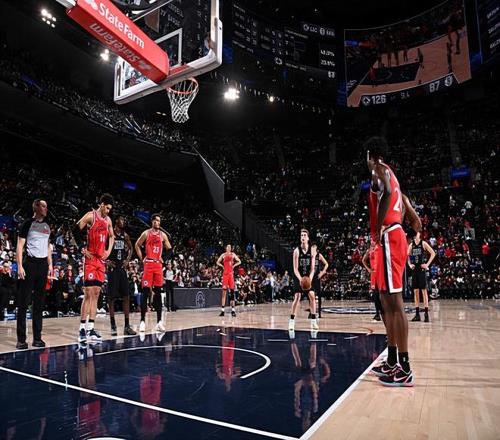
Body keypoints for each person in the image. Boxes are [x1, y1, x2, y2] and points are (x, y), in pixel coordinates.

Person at [366, 144, 421, 387]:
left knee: (395, 305)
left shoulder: (379, 168)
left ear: (372, 155)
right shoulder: (397, 185)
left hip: (389, 237)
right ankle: (391, 360)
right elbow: (417, 223)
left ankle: (405, 368)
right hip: (390, 239)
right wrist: (409, 231)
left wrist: (381, 226)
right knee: (385, 303)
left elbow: (387, 191)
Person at [74, 194, 115, 343]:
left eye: (110, 209)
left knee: (97, 293)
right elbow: (75, 229)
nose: (108, 211)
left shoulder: (108, 220)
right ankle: (81, 330)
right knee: (88, 293)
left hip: (100, 260)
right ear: (102, 204)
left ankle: (90, 328)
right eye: (107, 208)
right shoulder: (91, 216)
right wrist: (82, 248)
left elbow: (112, 236)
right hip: (90, 259)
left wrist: (108, 251)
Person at [16, 199, 54, 349]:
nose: (46, 208)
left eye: (46, 206)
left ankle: (37, 338)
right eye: (43, 206)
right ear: (36, 207)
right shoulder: (27, 224)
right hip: (30, 264)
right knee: (23, 303)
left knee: (39, 303)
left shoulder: (47, 225)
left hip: (43, 265)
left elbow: (48, 246)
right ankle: (21, 339)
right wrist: (20, 266)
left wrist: (50, 264)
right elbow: (20, 246)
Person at [135, 214, 172, 333]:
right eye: (155, 221)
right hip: (149, 263)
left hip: (158, 265)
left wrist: (164, 259)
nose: (157, 223)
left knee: (158, 293)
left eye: (159, 221)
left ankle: (159, 322)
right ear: (152, 222)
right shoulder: (146, 233)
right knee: (145, 292)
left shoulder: (163, 235)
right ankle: (142, 321)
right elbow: (137, 245)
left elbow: (170, 249)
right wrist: (142, 258)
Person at [107, 216, 136, 336]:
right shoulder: (110, 233)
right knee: (111, 298)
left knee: (126, 296)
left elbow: (131, 248)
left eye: (124, 220)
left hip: (122, 268)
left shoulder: (125, 235)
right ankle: (113, 325)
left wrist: (127, 260)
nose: (123, 222)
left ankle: (127, 326)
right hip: (112, 268)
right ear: (116, 221)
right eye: (122, 220)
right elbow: (102, 248)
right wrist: (106, 261)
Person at [289, 229, 317, 332]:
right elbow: (295, 269)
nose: (303, 237)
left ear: (308, 238)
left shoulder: (312, 250)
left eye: (305, 235)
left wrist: (310, 279)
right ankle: (291, 321)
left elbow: (313, 268)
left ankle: (313, 321)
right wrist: (301, 279)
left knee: (312, 295)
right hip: (298, 276)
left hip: (308, 276)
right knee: (297, 297)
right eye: (301, 235)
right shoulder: (296, 251)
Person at [408, 231, 436, 322]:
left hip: (421, 270)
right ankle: (417, 315)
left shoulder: (423, 243)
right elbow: (406, 255)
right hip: (414, 270)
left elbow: (433, 253)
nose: (416, 234)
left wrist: (427, 264)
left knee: (424, 291)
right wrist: (410, 264)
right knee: (415, 291)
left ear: (419, 234)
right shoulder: (411, 245)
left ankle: (426, 314)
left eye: (417, 233)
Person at [216, 245, 241, 317]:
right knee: (224, 293)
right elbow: (217, 262)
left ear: (231, 248)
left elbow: (239, 261)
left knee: (232, 293)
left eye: (230, 247)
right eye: (227, 247)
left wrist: (234, 265)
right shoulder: (223, 255)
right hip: (225, 275)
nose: (229, 248)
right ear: (226, 248)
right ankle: (222, 310)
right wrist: (222, 266)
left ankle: (233, 310)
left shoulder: (233, 254)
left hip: (230, 275)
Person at [311, 245, 328, 319]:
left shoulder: (319, 255)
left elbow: (326, 264)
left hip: (317, 277)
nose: (312, 249)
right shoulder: (310, 256)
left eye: (313, 248)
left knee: (319, 294)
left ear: (316, 249)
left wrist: (322, 272)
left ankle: (319, 313)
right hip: (311, 277)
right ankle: (312, 312)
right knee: (311, 295)